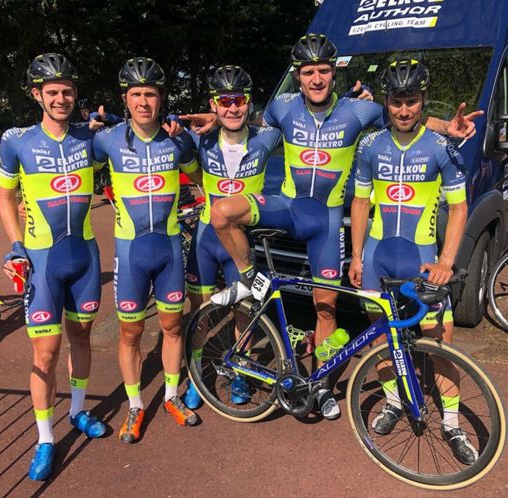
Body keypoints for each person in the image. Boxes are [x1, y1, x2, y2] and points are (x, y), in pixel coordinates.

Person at [204, 34, 481, 421]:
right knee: (222, 212)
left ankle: (320, 387)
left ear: (334, 72)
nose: (316, 79)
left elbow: (402, 113)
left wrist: (447, 126)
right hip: (288, 206)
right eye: (308, 72)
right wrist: (214, 122)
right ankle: (248, 278)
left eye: (323, 70)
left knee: (326, 308)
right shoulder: (282, 106)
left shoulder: (358, 110)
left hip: (328, 219)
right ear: (298, 76)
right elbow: (247, 120)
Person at [348, 59, 477, 465]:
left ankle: (451, 424)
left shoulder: (440, 147)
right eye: (396, 102)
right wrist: (356, 256)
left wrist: (446, 262)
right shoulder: (370, 145)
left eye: (411, 101)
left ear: (423, 100)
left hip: (422, 260)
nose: (403, 110)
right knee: (382, 341)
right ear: (386, 102)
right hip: (377, 258)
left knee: (440, 346)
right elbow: (360, 202)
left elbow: (460, 208)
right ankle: (392, 402)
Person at [0, 53, 108, 481]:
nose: (61, 99)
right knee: (45, 353)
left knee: (81, 338)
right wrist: (16, 246)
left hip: (84, 259)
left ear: (75, 93)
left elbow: (132, 133)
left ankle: (77, 411)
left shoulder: (89, 137)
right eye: (52, 92)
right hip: (42, 262)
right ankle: (45, 437)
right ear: (37, 95)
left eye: (67, 91)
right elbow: (5, 196)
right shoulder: (17, 140)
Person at [92, 57, 203, 443]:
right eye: (136, 94)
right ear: (125, 98)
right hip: (130, 254)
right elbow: (74, 168)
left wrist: (186, 142)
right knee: (130, 333)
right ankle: (136, 405)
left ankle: (171, 396)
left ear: (161, 98)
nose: (143, 102)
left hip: (169, 250)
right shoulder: (107, 139)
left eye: (150, 94)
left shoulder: (174, 139)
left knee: (173, 326)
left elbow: (200, 176)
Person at [183, 65, 281, 408]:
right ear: (213, 104)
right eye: (224, 101)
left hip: (240, 243)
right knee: (200, 312)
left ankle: (240, 371)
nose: (233, 108)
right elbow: (163, 124)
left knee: (245, 311)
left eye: (239, 100)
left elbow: (298, 117)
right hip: (206, 240)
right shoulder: (202, 139)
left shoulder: (265, 138)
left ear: (249, 102)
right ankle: (196, 374)